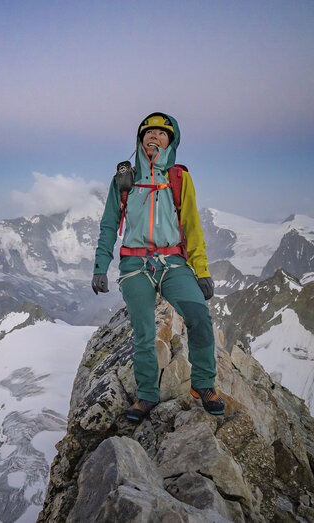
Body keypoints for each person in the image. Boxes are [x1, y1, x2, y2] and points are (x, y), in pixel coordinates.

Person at [92, 111, 224, 422]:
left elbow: (192, 226)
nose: (154, 136)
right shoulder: (124, 179)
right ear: (140, 139)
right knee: (144, 331)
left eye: (162, 133)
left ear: (171, 142)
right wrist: (100, 266)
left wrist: (202, 271)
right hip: (135, 264)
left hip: (173, 262)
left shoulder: (179, 178)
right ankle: (147, 395)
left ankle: (203, 384)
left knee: (199, 317)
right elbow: (109, 224)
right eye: (148, 132)